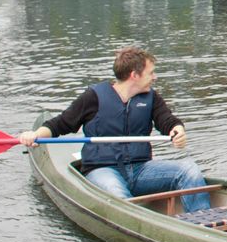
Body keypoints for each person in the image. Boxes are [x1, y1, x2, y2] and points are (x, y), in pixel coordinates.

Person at [17, 46, 209, 212]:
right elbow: (59, 124)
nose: (154, 77)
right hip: (102, 169)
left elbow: (167, 121)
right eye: (151, 73)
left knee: (188, 169)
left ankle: (202, 223)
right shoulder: (94, 97)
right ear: (134, 75)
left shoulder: (151, 98)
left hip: (141, 169)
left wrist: (178, 130)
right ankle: (142, 224)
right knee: (119, 197)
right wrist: (34, 135)